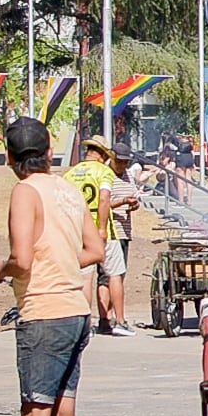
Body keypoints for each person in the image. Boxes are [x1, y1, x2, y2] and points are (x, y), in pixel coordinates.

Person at [0, 116, 104, 416]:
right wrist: (61, 261)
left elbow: (22, 260)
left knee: (35, 415)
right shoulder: (68, 190)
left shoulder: (25, 191)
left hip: (44, 313)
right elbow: (95, 249)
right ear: (49, 152)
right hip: (76, 312)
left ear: (9, 157)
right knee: (64, 413)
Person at [64, 142, 141, 336]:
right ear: (102, 155)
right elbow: (104, 199)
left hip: (78, 228)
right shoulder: (103, 172)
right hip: (102, 228)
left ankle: (85, 323)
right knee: (114, 274)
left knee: (86, 277)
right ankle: (120, 321)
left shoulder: (71, 173)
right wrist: (101, 228)